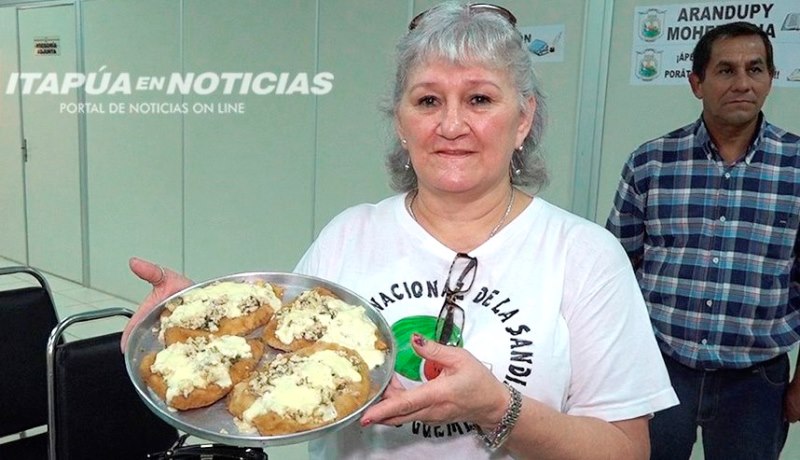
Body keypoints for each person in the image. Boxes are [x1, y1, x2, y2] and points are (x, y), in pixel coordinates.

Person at [123, 2, 677, 458]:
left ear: (524, 119)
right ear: (401, 121)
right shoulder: (349, 234)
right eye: (428, 100)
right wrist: (190, 324)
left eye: (480, 99)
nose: (452, 124)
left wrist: (495, 407)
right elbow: (272, 364)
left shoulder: (584, 255)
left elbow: (625, 450)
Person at [606, 21, 800, 460]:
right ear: (697, 82)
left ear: (771, 79)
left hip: (756, 382)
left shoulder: (796, 167)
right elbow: (613, 274)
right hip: (660, 369)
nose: (742, 83)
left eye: (755, 69)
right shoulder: (651, 162)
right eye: (726, 70)